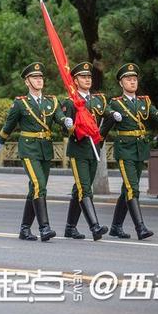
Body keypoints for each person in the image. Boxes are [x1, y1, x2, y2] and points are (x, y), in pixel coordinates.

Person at [0, 63, 72, 241]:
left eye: (41, 77)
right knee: (39, 186)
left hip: (45, 149)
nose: (39, 80)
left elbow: (57, 116)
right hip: (28, 148)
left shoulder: (51, 101)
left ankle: (25, 229)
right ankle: (45, 228)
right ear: (27, 82)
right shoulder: (21, 103)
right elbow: (8, 127)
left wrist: (65, 120)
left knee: (34, 189)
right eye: (35, 78)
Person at [102, 63, 158, 240]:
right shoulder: (116, 103)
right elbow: (106, 112)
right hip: (125, 149)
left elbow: (152, 111)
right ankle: (141, 228)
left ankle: (116, 227)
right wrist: (111, 115)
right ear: (121, 83)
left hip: (139, 149)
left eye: (134, 79)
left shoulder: (143, 101)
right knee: (133, 188)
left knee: (127, 189)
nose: (132, 82)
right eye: (128, 79)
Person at [60, 62, 120, 241]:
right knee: (85, 189)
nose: (87, 79)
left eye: (89, 77)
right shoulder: (70, 102)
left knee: (78, 189)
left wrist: (102, 133)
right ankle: (95, 227)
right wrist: (73, 128)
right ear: (75, 81)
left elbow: (107, 114)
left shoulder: (98, 99)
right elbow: (65, 130)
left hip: (94, 149)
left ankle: (70, 228)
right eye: (83, 77)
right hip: (78, 150)